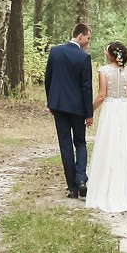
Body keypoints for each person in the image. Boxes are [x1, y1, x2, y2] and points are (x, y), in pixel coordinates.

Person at [84, 40, 127, 213]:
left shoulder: (103, 71)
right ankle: (126, 187)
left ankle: (107, 187)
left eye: (106, 51)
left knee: (109, 145)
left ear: (112, 55)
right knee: (125, 146)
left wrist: (89, 112)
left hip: (111, 110)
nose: (105, 53)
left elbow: (101, 95)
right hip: (126, 110)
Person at [42, 22, 95, 198]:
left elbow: (48, 79)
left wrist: (51, 103)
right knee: (80, 142)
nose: (88, 41)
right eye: (87, 38)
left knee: (65, 145)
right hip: (78, 108)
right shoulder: (84, 57)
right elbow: (86, 87)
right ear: (80, 36)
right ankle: (81, 179)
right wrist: (89, 113)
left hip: (59, 106)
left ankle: (72, 188)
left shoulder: (55, 52)